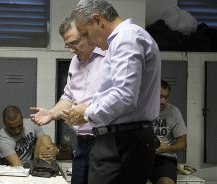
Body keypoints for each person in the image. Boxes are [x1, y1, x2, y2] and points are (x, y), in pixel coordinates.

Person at [63, 0, 161, 183]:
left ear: (98, 21)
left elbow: (124, 95)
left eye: (85, 33)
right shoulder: (125, 38)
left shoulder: (127, 38)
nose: (89, 40)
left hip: (123, 141)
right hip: (122, 139)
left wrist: (86, 112)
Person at [30, 15, 106, 184]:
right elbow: (69, 97)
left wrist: (86, 111)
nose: (71, 49)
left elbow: (118, 99)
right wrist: (51, 113)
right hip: (82, 143)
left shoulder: (110, 58)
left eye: (74, 43)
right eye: (67, 45)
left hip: (106, 142)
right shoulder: (74, 62)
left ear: (88, 35)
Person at [149, 80, 187, 184]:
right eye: (160, 97)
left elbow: (183, 144)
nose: (163, 101)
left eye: (166, 97)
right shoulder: (140, 110)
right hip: (140, 157)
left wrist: (168, 148)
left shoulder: (173, 111)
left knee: (166, 182)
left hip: (164, 158)